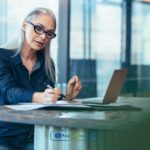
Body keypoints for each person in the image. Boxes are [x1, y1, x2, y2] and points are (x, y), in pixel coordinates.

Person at [0, 7, 82, 150]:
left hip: (37, 136)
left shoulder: (47, 64)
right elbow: (8, 91)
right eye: (39, 28)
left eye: (49, 33)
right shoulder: (3, 57)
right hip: (6, 138)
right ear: (24, 25)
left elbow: (46, 100)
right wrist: (40, 97)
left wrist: (67, 96)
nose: (44, 37)